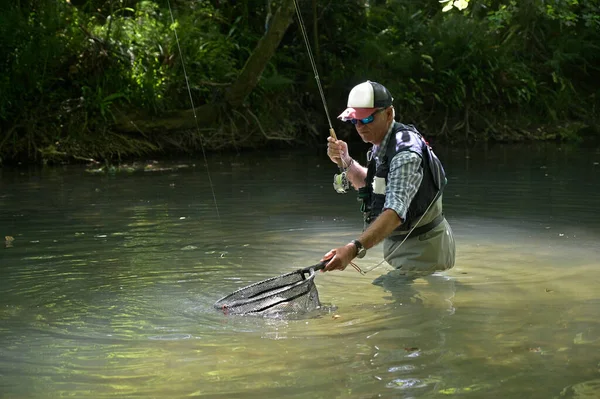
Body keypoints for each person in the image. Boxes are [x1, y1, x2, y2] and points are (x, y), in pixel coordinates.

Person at [322, 80, 455, 279]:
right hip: (406, 246)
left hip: (425, 249)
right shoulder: (382, 143)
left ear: (389, 113)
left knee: (394, 294)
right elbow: (374, 186)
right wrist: (346, 161)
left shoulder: (405, 154)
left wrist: (352, 249)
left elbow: (395, 212)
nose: (359, 126)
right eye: (354, 121)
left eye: (366, 120)